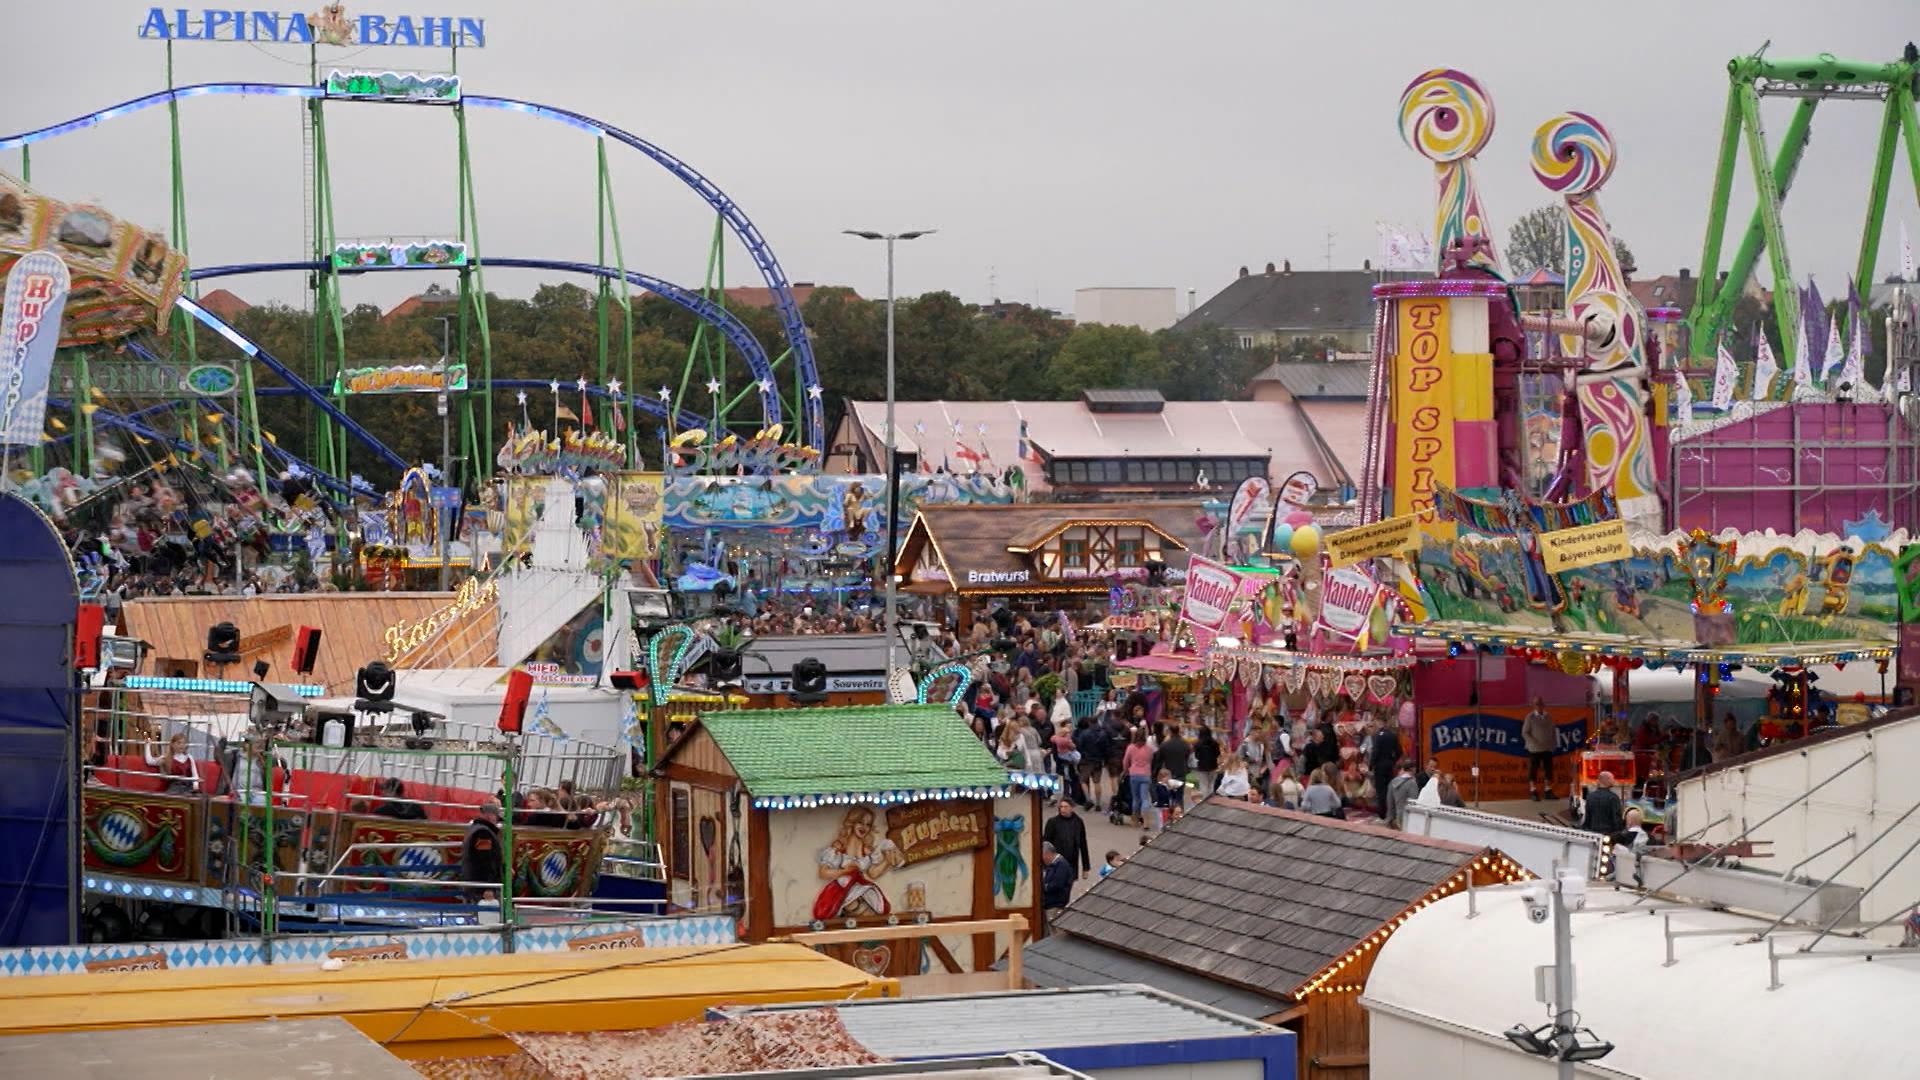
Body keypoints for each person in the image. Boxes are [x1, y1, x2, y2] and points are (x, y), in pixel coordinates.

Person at [460, 800, 505, 900]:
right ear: (490, 816)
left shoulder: (475, 829)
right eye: (497, 818)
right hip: (481, 888)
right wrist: (488, 887)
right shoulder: (483, 834)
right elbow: (485, 861)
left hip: (474, 883)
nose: (497, 822)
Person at [1041, 798, 1091, 880]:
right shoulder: (1053, 822)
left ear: (1072, 808)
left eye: (1066, 807)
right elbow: (1046, 843)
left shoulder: (1078, 822)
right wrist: (1044, 865)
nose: (1063, 809)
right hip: (1056, 862)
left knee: (1068, 887)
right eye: (1061, 807)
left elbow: (1083, 845)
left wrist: (1086, 868)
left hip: (1072, 862)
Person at [1523, 697, 1556, 802]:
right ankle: (1533, 791)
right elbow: (1525, 732)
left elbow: (1553, 731)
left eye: (1541, 704)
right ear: (1534, 706)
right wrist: (1532, 742)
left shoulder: (1548, 716)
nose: (1539, 706)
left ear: (1543, 705)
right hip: (1534, 749)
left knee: (1548, 770)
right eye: (1537, 704)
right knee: (1533, 770)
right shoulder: (1530, 717)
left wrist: (1553, 743)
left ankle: (1548, 791)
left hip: (1547, 748)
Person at [1369, 717, 1402, 815]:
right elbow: (1399, 751)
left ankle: (1382, 812)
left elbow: (1376, 752)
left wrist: (1371, 764)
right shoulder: (1393, 735)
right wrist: (1393, 760)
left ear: (1380, 722)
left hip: (1379, 766)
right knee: (1389, 788)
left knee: (1380, 789)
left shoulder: (1377, 736)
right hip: (1389, 765)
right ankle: (1391, 811)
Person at [1122, 728, 1154, 827]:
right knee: (1145, 798)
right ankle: (1146, 822)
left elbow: (1125, 761)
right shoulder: (1149, 749)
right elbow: (1151, 760)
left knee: (1136, 799)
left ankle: (1135, 820)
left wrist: (1126, 770)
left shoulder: (1131, 747)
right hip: (1146, 774)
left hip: (1134, 774)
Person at [1040, 842, 1074, 921]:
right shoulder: (1054, 865)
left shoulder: (1061, 865)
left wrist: (1043, 887)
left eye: (1042, 855)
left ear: (1047, 854)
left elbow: (1057, 884)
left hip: (1055, 904)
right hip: (1050, 904)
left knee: (1054, 929)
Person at [1385, 758, 1420, 829]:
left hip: (1396, 818)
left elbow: (1389, 803)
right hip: (1408, 818)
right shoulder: (1412, 783)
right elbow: (1414, 803)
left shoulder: (1393, 781)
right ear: (1413, 769)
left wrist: (1390, 819)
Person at [1191, 726, 1222, 795]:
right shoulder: (1214, 743)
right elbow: (1217, 753)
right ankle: (1211, 798)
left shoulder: (1197, 744)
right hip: (1213, 765)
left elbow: (1196, 756)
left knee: (1203, 784)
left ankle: (1205, 800)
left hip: (1202, 766)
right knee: (1211, 784)